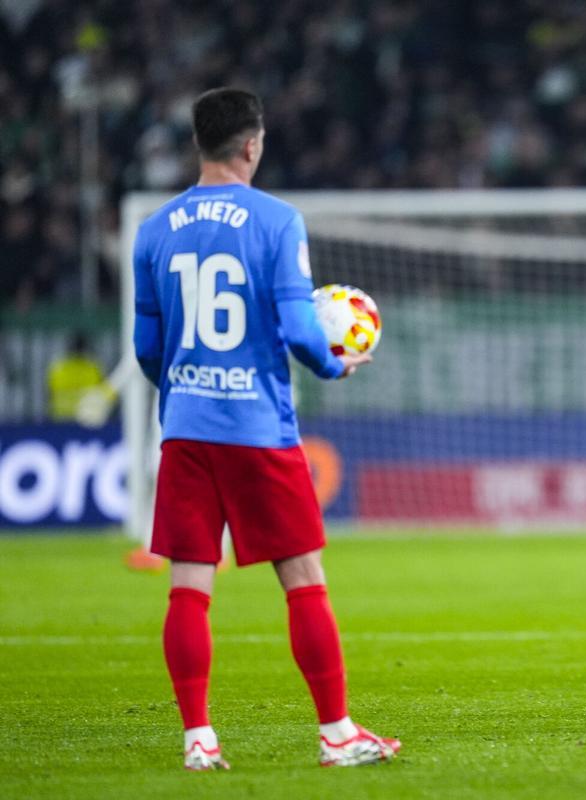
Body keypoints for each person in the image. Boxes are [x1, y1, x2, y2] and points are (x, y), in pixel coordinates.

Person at [132, 87, 399, 770]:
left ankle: (198, 739)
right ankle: (337, 735)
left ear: (200, 143)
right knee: (303, 577)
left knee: (189, 584)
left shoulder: (155, 228)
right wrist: (336, 368)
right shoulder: (277, 220)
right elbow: (300, 329)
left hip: (186, 427)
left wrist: (189, 391)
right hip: (256, 425)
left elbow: (146, 349)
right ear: (252, 144)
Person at [46, 330, 112, 422]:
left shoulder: (57, 367)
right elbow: (105, 393)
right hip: (87, 417)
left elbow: (49, 395)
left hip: (61, 418)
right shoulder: (94, 367)